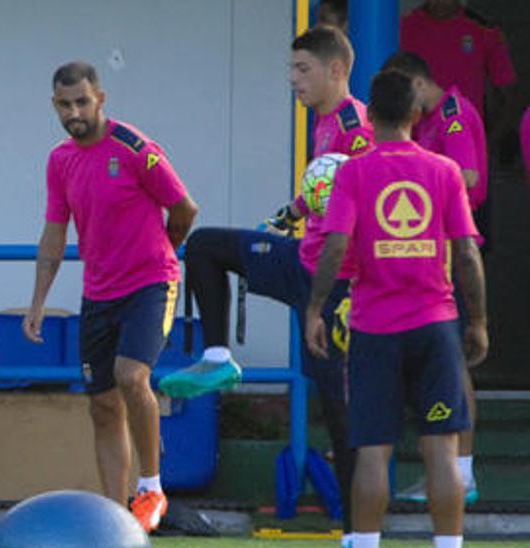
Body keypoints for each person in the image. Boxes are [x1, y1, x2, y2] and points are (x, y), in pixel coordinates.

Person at [158, 27, 372, 530]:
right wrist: (291, 212)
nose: (292, 79)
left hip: (333, 280)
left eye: (303, 69)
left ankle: (359, 532)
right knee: (207, 246)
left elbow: (360, 200)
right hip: (302, 259)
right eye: (290, 68)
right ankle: (216, 358)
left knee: (339, 407)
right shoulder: (321, 122)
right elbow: (321, 189)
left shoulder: (354, 128)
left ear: (336, 70)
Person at [306, 68, 485, 548]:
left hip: (374, 329)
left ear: (374, 113)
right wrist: (480, 322)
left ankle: (364, 543)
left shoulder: (354, 171)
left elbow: (335, 244)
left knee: (372, 452)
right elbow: (467, 252)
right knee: (441, 452)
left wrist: (316, 309)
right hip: (435, 325)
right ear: (414, 112)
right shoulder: (443, 171)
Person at [21, 61, 198, 532]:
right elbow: (54, 233)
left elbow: (184, 208)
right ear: (54, 105)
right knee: (101, 405)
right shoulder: (60, 160)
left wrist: (165, 252)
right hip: (98, 293)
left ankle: (151, 486)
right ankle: (117, 518)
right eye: (64, 104)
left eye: (82, 101)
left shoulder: (135, 148)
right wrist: (38, 301)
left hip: (150, 284)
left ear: (100, 99)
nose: (74, 111)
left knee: (130, 375)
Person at [382, 51, 487, 505]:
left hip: (451, 253)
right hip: (433, 255)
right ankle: (449, 471)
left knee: (453, 365)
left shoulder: (452, 115)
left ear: (416, 84)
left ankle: (461, 471)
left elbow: (467, 174)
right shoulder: (432, 121)